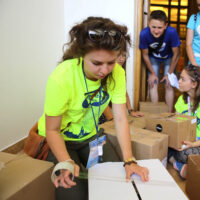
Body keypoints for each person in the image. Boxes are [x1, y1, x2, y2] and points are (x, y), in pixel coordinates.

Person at [37, 16, 149, 200]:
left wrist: (129, 160)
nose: (104, 71)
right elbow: (52, 130)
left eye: (111, 63)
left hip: (91, 136)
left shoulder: (118, 74)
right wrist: (65, 162)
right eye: (97, 63)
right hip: (59, 138)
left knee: (117, 182)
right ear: (81, 55)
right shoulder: (62, 77)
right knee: (74, 194)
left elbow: (120, 118)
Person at [139, 10, 181, 112]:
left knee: (168, 83)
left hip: (169, 57)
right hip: (153, 58)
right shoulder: (144, 34)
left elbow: (177, 53)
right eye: (153, 27)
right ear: (149, 23)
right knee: (152, 83)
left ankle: (168, 114)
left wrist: (169, 74)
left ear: (165, 25)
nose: (156, 31)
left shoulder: (172, 32)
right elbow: (144, 55)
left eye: (160, 28)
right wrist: (153, 73)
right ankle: (156, 113)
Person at [100, 51, 144, 121]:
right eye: (118, 55)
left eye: (124, 56)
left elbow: (124, 92)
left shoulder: (120, 71)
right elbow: (100, 98)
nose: (121, 59)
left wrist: (131, 111)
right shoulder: (104, 71)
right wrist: (111, 119)